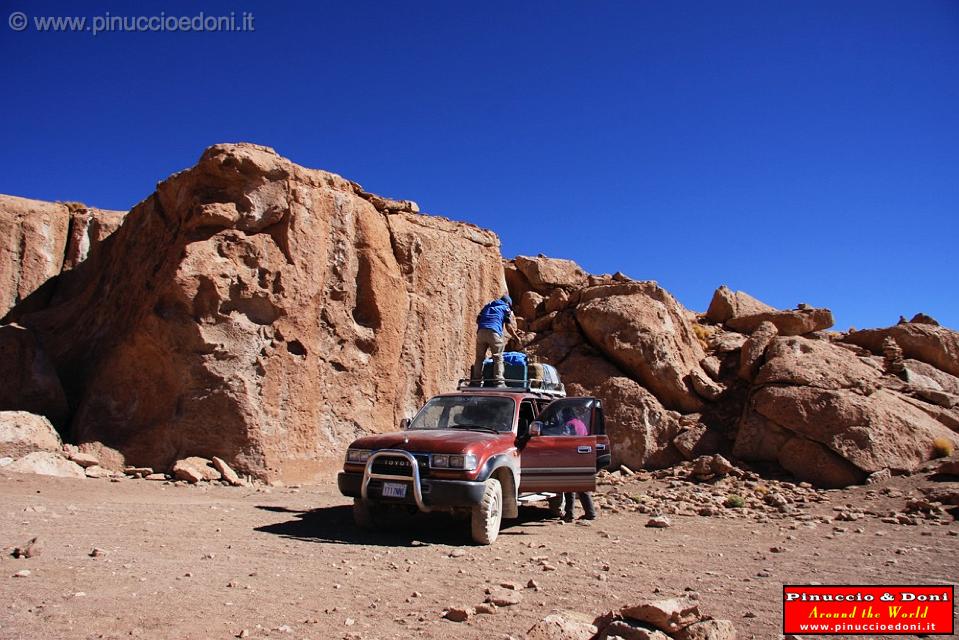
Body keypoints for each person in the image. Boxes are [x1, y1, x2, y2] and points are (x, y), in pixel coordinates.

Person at [472, 295, 519, 387]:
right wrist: (516, 337)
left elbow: (478, 320)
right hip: (494, 332)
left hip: (481, 332)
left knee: (479, 358)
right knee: (498, 358)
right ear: (508, 303)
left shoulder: (487, 306)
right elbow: (508, 327)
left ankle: (475, 382)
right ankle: (499, 382)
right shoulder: (505, 308)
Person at [560, 407, 596, 521]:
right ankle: (590, 512)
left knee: (568, 486)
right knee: (582, 486)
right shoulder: (581, 424)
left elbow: (564, 439)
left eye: (563, 415)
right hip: (582, 456)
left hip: (571, 457)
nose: (562, 417)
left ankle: (569, 514)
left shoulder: (569, 424)